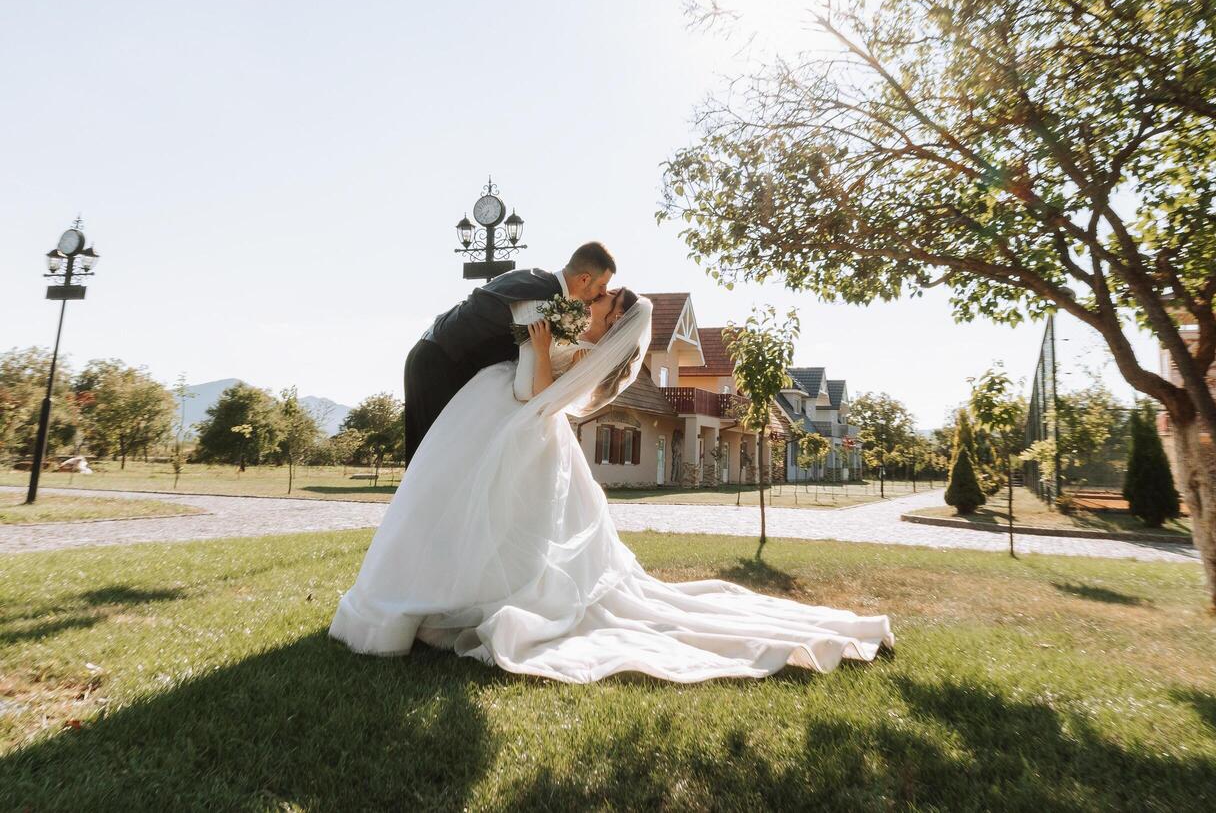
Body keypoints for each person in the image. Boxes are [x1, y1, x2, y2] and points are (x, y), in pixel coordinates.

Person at [331, 288, 893, 683]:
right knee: (480, 520)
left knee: (503, 525)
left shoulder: (585, 347)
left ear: (616, 316)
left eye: (603, 299)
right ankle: (446, 593)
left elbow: (537, 394)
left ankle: (463, 599)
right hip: (509, 430)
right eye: (596, 295)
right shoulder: (577, 332)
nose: (592, 299)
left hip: (521, 434)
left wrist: (537, 344)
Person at [403, 242, 614, 466]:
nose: (603, 292)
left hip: (430, 352)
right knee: (431, 460)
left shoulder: (535, 277)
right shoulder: (542, 301)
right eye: (602, 284)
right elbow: (525, 385)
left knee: (430, 457)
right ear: (583, 279)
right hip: (439, 364)